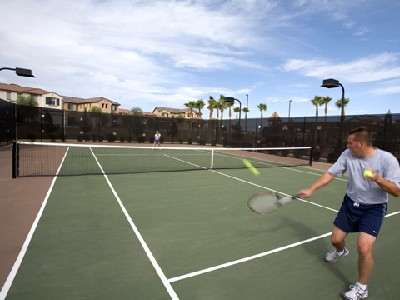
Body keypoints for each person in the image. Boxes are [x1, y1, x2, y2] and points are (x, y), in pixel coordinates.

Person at [298, 127, 400, 300]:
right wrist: (311, 189)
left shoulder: (387, 160)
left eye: (350, 143)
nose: (347, 145)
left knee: (364, 246)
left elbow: (397, 191)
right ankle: (341, 251)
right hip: (350, 204)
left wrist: (379, 179)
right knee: (336, 240)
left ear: (360, 144)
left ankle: (361, 288)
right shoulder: (347, 154)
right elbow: (330, 174)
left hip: (374, 208)